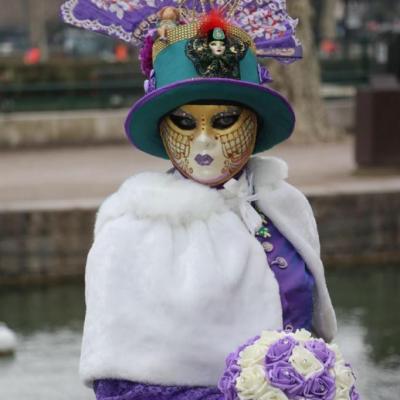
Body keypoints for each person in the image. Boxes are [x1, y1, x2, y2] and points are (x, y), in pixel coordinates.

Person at [61, 2, 336, 399]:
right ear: (161, 127)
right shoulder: (130, 233)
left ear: (255, 122)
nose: (204, 142)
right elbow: (117, 387)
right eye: (185, 122)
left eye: (225, 121)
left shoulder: (284, 205)